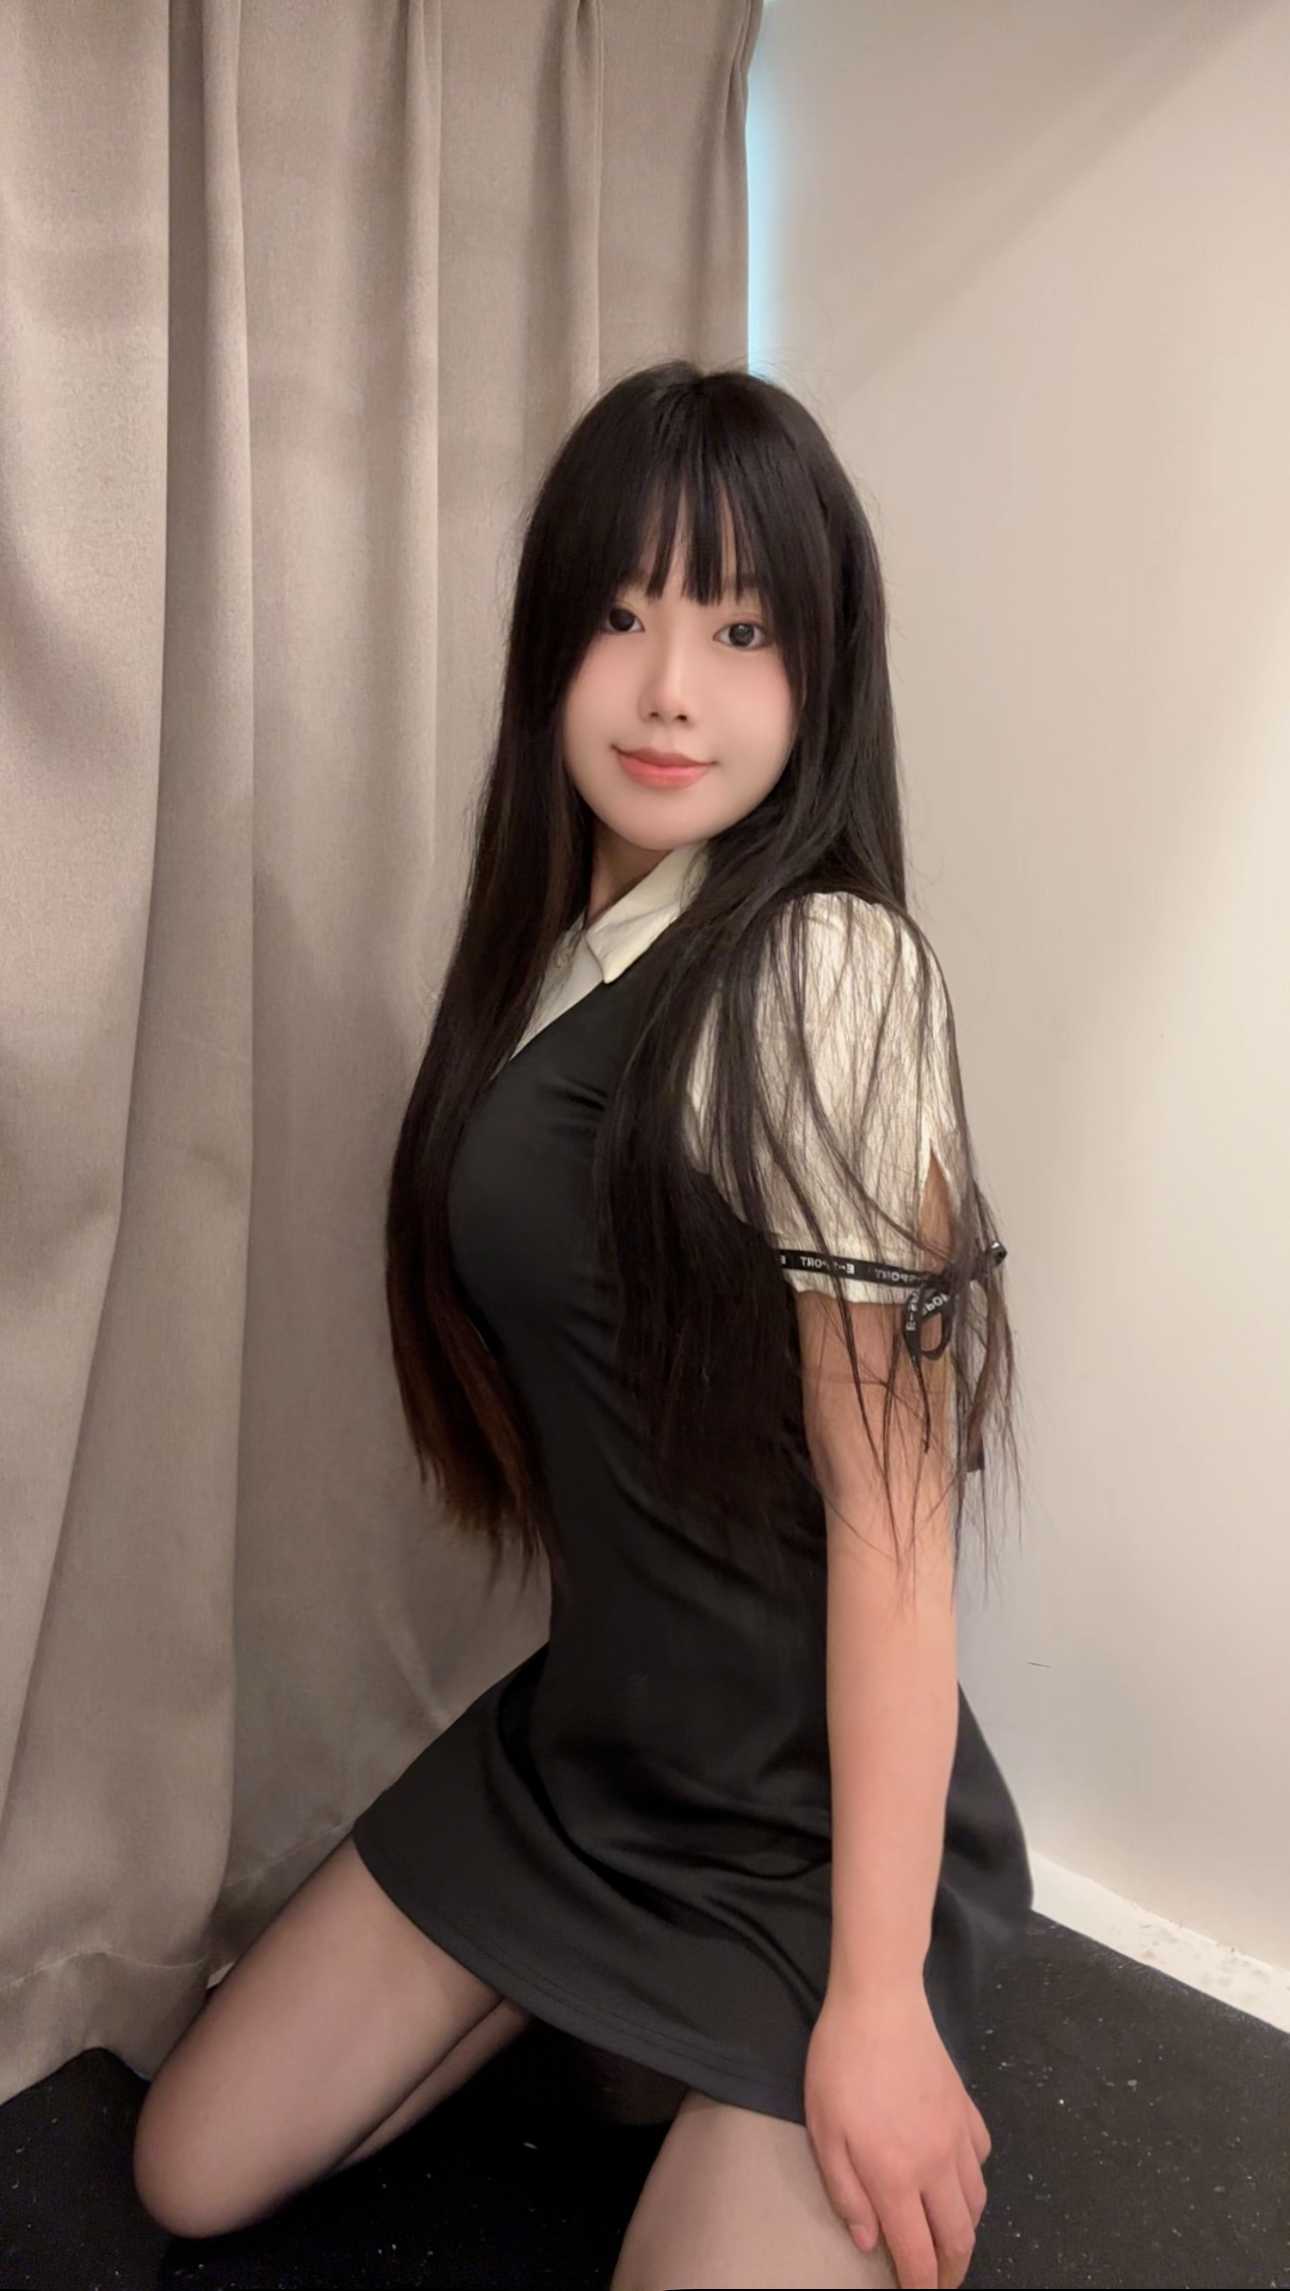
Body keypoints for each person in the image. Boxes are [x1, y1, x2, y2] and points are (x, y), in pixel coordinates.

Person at [133, 361, 1033, 2291]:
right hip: (585, 1756)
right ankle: (582, 1994)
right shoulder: (556, 958)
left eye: (739, 629)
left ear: (821, 674)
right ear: (552, 645)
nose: (668, 688)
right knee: (186, 2172)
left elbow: (889, 1538)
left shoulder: (827, 969)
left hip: (803, 1834)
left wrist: (874, 2007)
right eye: (622, 615)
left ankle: (778, 2015)